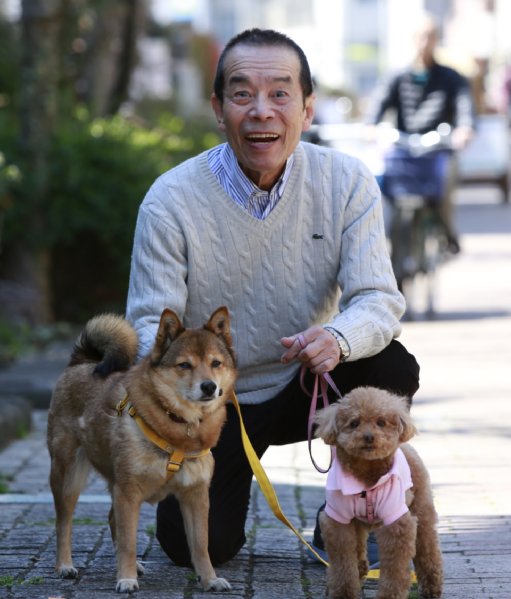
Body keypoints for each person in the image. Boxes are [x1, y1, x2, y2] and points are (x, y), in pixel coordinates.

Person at [125, 28, 420, 567]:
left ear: (307, 109)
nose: (262, 110)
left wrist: (336, 337)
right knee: (198, 549)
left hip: (313, 381)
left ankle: (352, 510)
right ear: (219, 109)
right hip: (215, 403)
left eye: (280, 93)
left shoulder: (347, 181)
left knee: (391, 363)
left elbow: (379, 299)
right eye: (242, 94)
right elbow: (148, 322)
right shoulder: (170, 200)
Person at [365, 13, 475, 253]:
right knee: (386, 188)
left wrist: (464, 129)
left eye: (430, 36)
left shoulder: (451, 77)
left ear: (437, 40)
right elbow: (379, 102)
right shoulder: (397, 76)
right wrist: (371, 126)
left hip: (439, 148)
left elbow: (464, 106)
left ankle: (447, 233)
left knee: (446, 188)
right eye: (420, 37)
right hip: (404, 147)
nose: (425, 42)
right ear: (412, 40)